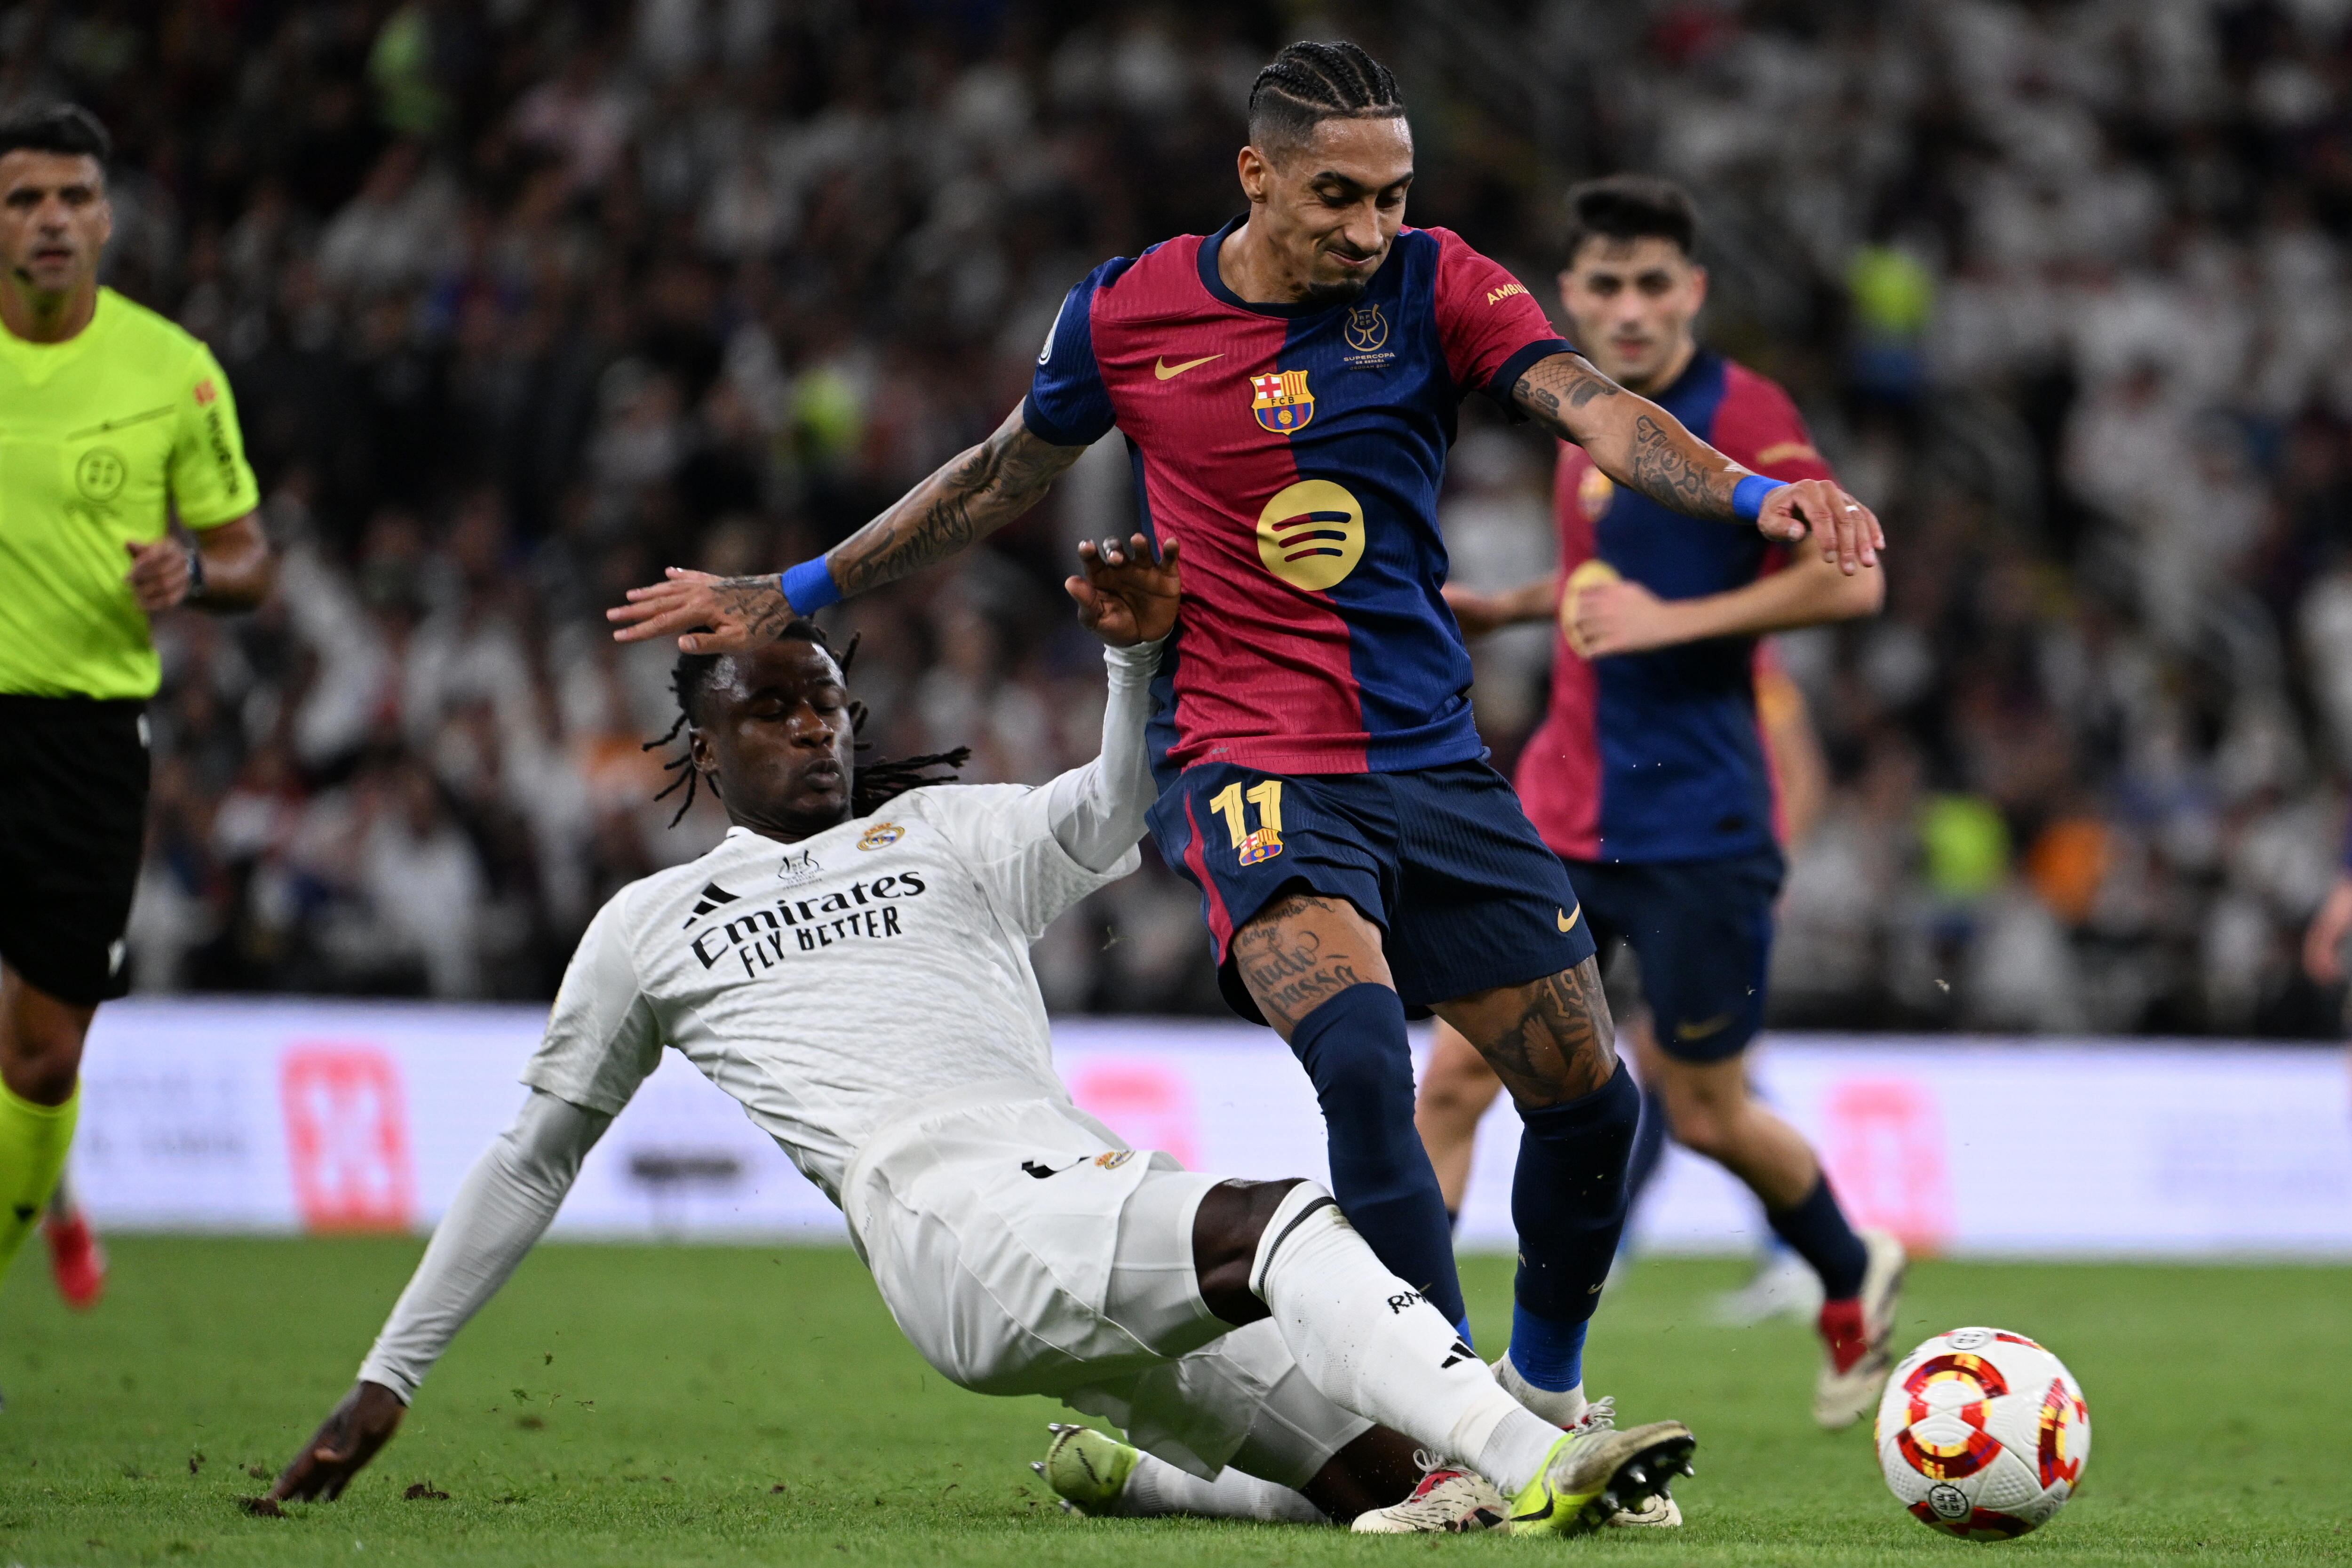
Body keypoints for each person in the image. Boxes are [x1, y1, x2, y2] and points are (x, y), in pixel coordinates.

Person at [607, 40, 1883, 1435]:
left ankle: (1546, 1391)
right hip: (1251, 765)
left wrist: (1755, 495)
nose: (1370, 228)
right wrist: (789, 591)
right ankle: (1454, 1430)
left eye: (1393, 196)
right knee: (1358, 1065)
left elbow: (1595, 409)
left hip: (1431, 762)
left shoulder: (1439, 282)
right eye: (1339, 196)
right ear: (1255, 176)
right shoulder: (1127, 315)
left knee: (1593, 1107)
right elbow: (994, 478)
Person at [267, 535, 1695, 1537]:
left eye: (825, 702)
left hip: (1066, 1200)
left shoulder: (940, 834)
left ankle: (1144, 1483)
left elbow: (1112, 811)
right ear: (703, 748)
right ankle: (1537, 1449)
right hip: (949, 1223)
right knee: (1289, 1228)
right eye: (769, 713)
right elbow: (532, 1159)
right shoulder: (653, 923)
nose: (811, 730)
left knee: (1384, 1479)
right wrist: (389, 1375)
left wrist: (1138, 662)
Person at [1416, 176, 1902, 1432]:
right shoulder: (1588, 418)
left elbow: (1849, 588)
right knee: (1455, 1085)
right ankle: (1411, 1371)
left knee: (1704, 1111)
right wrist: (1514, 605)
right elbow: (1603, 581)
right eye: (1604, 286)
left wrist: (1670, 623)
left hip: (1702, 834)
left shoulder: (1745, 413)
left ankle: (1851, 1271)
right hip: (1562, 819)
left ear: (1691, 292)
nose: (1628, 309)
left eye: (1652, 285)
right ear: (1569, 296)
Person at [0, 104, 272, 1324]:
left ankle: (45, 1197)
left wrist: (196, 578)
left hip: (86, 740)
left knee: (44, 1055)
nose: (48, 220)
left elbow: (251, 558)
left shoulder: (173, 372)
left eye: (70, 198)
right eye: (21, 200)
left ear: (106, 219)